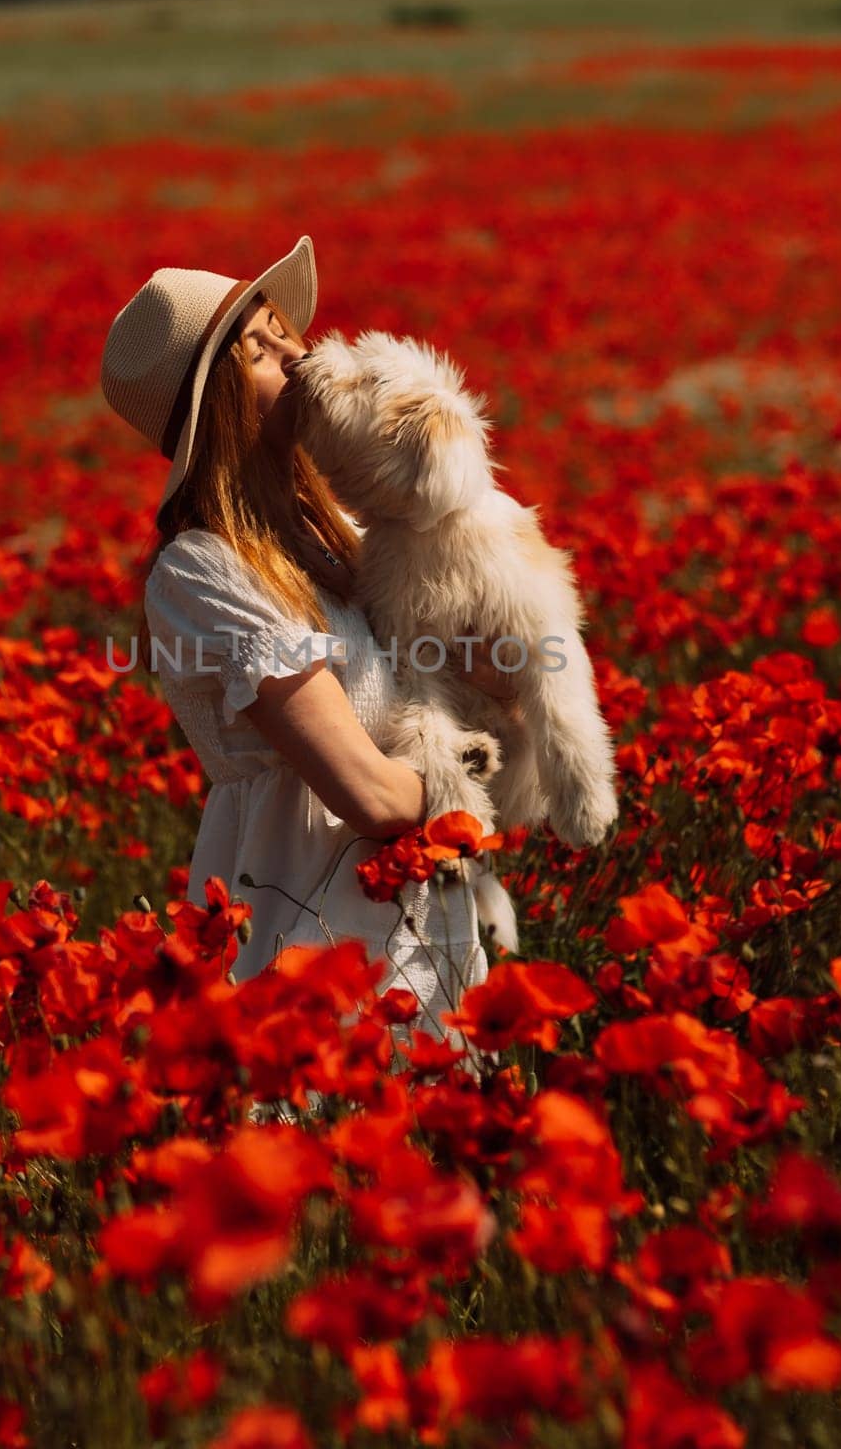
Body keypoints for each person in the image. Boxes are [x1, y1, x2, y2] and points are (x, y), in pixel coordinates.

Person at [99, 235, 520, 1064]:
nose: (300, 355)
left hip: (422, 914)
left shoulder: (342, 529)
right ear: (215, 402)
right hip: (309, 921)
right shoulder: (202, 569)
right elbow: (365, 793)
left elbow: (487, 674)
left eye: (285, 331)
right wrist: (482, 794)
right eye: (261, 348)